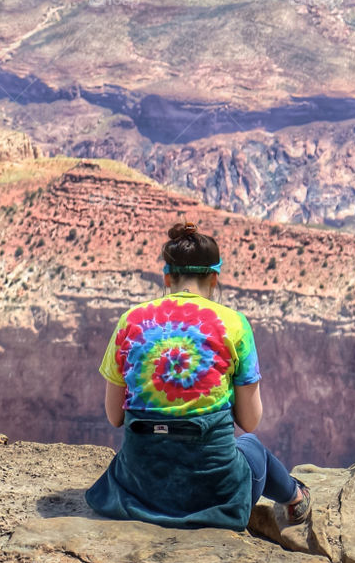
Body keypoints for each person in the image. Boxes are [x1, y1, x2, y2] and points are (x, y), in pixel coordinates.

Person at [84, 220, 311, 531]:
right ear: (214, 278)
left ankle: (295, 494)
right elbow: (250, 421)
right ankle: (296, 497)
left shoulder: (130, 321)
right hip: (216, 496)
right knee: (252, 446)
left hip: (138, 490)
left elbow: (114, 416)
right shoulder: (234, 324)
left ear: (167, 275)